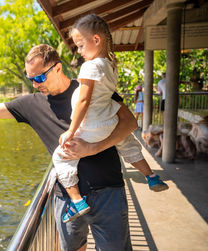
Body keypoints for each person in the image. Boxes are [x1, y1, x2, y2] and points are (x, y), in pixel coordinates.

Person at [0, 44, 150, 250]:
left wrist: (94, 148)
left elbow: (130, 123)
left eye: (39, 78)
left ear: (57, 68)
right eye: (30, 78)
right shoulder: (30, 104)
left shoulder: (90, 89)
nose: (34, 84)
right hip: (67, 198)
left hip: (108, 191)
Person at [52, 14, 168, 224]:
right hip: (108, 121)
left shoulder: (90, 66)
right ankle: (151, 176)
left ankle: (77, 201)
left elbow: (83, 101)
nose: (79, 51)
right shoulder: (110, 65)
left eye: (80, 45)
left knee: (61, 156)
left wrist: (71, 130)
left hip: (91, 126)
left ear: (96, 40)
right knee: (125, 142)